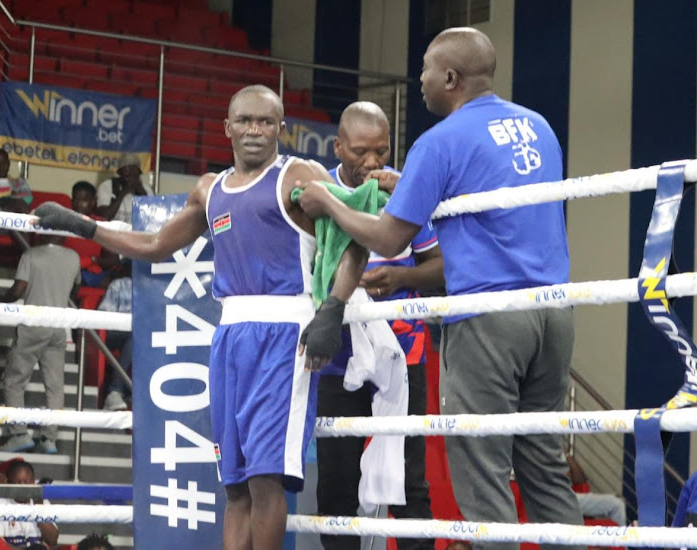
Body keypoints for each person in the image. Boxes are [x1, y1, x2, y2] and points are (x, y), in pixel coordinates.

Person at [35, 84, 367, 550]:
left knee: (266, 480)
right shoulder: (210, 190)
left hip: (286, 333)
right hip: (229, 334)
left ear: (281, 128)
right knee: (234, 485)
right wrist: (84, 226)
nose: (255, 130)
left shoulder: (300, 176)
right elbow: (154, 245)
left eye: (266, 122)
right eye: (246, 121)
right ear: (227, 127)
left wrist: (333, 307)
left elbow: (356, 239)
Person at [295, 28, 584, 550]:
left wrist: (329, 202)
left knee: (483, 465)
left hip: (489, 316)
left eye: (427, 68)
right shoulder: (537, 126)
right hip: (553, 312)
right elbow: (488, 198)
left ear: (450, 78)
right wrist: (408, 181)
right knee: (543, 464)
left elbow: (387, 235)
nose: (421, 78)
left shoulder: (441, 140)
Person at [317, 101, 443, 550]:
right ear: (338, 147)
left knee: (411, 485)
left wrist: (401, 278)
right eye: (360, 151)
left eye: (381, 151)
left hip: (403, 354)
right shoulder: (317, 193)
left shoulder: (403, 192)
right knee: (336, 485)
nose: (372, 162)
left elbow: (442, 268)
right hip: (336, 354)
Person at [0, 234, 81, 454]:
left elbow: (17, 291)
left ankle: (19, 434)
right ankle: (49, 439)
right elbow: (76, 289)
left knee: (14, 381)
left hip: (33, 325)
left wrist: (0, 301)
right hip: (57, 326)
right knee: (55, 385)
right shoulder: (74, 257)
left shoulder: (31, 254)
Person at [0, 460, 59, 548]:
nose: (22, 488)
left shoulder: (42, 503)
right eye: (17, 483)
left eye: (26, 483)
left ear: (33, 482)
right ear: (9, 483)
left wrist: (39, 510)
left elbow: (52, 540)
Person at [64, 181, 121, 288]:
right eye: (75, 199)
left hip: (91, 273)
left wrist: (92, 260)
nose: (78, 203)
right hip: (66, 271)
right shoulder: (63, 221)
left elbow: (113, 260)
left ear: (93, 202)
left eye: (83, 200)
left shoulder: (101, 224)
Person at [97, 261, 132, 411]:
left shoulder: (153, 289)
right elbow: (104, 314)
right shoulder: (120, 285)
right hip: (115, 332)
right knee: (135, 338)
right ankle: (115, 392)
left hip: (144, 336)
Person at [566, 451, 627, 526]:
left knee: (617, 504)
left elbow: (581, 481)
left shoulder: (557, 452)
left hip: (571, 496)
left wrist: (567, 455)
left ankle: (620, 537)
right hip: (555, 498)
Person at [96, 153, 154, 223]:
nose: (130, 179)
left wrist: (141, 192)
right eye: (127, 175)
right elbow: (105, 216)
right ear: (119, 174)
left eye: (134, 175)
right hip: (113, 232)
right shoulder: (107, 186)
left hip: (136, 233)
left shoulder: (146, 189)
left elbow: (152, 218)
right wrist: (123, 192)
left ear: (139, 174)